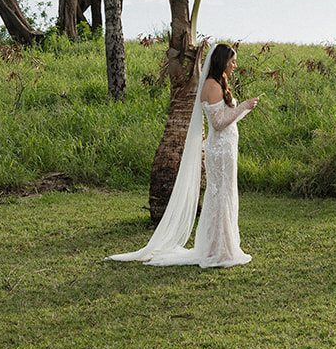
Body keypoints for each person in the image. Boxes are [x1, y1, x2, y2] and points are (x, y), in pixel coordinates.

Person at [109, 43, 259, 268]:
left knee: (223, 196)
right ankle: (219, 251)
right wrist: (244, 107)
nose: (235, 66)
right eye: (232, 62)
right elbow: (218, 124)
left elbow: (223, 118)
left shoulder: (217, 83)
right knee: (220, 197)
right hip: (219, 150)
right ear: (222, 62)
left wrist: (241, 111)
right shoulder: (212, 85)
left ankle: (221, 247)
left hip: (224, 149)